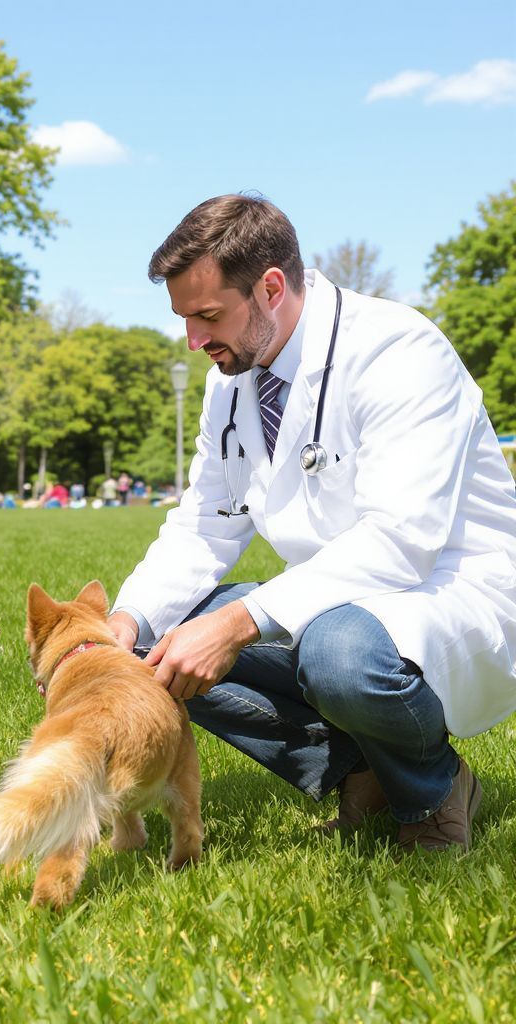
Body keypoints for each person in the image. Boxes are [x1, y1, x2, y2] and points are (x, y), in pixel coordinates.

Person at [107, 194, 516, 853]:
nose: (193, 340)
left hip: (449, 588)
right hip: (333, 598)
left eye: (208, 315)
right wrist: (126, 621)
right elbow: (206, 524)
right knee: (150, 650)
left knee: (338, 653)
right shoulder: (231, 380)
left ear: (271, 288)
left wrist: (236, 624)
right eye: (184, 319)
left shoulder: (396, 349)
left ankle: (433, 789)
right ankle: (365, 773)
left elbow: (403, 541)